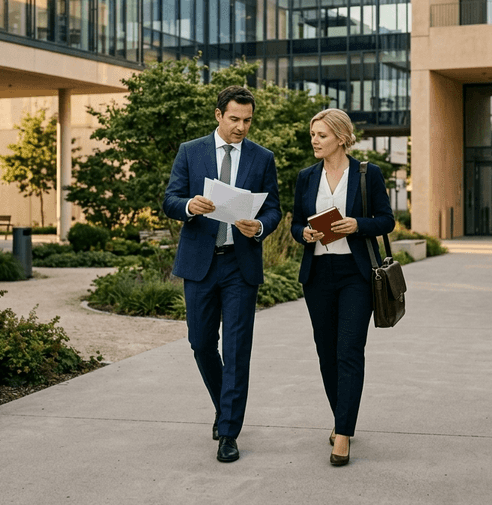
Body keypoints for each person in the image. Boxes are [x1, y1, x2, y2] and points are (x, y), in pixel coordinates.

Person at [163, 85, 281, 463]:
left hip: (239, 264)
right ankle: (223, 405)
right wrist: (189, 205)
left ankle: (229, 432)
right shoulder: (190, 151)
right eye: (234, 119)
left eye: (247, 120)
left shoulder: (263, 158)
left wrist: (259, 227)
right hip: (200, 263)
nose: (241, 127)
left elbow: (273, 210)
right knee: (200, 343)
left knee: (237, 349)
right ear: (218, 115)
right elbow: (170, 199)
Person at [291, 108, 395, 466]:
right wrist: (304, 233)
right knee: (326, 352)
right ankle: (341, 418)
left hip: (355, 273)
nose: (314, 140)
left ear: (340, 137)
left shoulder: (368, 174)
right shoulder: (306, 177)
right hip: (317, 273)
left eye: (321, 135)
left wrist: (357, 225)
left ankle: (343, 433)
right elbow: (294, 224)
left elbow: (387, 219)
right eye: (313, 135)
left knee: (349, 350)